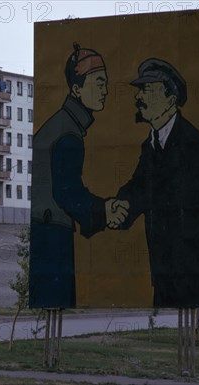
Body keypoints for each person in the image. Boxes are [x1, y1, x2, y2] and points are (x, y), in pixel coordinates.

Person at [109, 58, 199, 308]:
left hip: (190, 272)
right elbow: (139, 185)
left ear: (171, 99)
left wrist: (124, 207)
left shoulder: (194, 145)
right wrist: (118, 208)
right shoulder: (152, 143)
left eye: (148, 90)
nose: (139, 98)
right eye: (140, 91)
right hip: (164, 269)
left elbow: (168, 194)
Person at [29, 42, 127, 309]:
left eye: (105, 83)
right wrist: (104, 211)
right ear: (76, 89)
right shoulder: (69, 133)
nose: (105, 90)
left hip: (47, 228)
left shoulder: (62, 123)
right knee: (55, 300)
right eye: (98, 83)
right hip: (52, 234)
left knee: (51, 303)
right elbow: (67, 193)